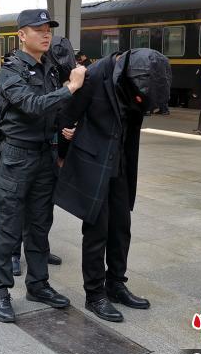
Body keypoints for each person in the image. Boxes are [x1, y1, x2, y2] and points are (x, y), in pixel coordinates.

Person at [55, 48, 171, 323]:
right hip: (94, 164)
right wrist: (63, 151)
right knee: (97, 231)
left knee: (121, 226)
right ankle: (94, 294)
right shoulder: (92, 77)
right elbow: (65, 115)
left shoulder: (137, 75)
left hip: (120, 161)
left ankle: (116, 284)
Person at [0, 9, 86, 323]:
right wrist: (70, 87)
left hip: (44, 156)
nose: (46, 34)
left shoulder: (50, 68)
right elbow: (30, 106)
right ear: (21, 35)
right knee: (6, 227)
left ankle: (38, 285)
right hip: (16, 158)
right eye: (38, 29)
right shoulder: (11, 69)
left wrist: (62, 130)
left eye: (48, 29)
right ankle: (0, 291)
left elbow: (52, 110)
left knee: (40, 225)